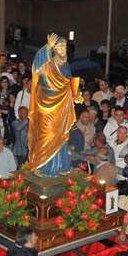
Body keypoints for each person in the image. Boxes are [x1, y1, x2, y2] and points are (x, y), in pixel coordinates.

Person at [28, 33, 82, 176]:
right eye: (60, 46)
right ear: (54, 49)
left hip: (62, 105)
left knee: (62, 135)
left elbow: (69, 84)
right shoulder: (47, 64)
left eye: (64, 46)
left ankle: (62, 167)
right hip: (46, 105)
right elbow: (36, 66)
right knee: (48, 134)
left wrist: (76, 93)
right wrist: (46, 47)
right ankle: (40, 165)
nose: (63, 49)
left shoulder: (67, 66)